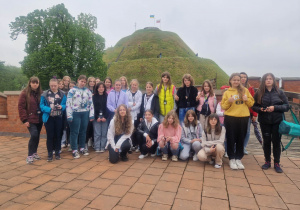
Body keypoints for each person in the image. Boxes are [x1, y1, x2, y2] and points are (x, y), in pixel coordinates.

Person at [252, 73, 289, 173]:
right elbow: (254, 106)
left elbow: (287, 106)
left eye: (270, 79)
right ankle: (267, 161)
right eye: (266, 79)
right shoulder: (259, 93)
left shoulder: (279, 92)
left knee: (276, 142)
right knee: (266, 141)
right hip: (265, 121)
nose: (268, 80)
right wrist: (261, 109)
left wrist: (275, 108)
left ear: (273, 81)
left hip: (277, 121)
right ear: (263, 81)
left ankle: (277, 163)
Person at [221, 73, 254, 170]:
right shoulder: (227, 92)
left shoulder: (245, 90)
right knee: (231, 138)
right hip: (230, 117)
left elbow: (251, 103)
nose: (236, 82)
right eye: (234, 80)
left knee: (241, 138)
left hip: (243, 117)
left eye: (238, 80)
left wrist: (246, 99)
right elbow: (223, 106)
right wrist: (229, 101)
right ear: (230, 81)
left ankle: (238, 158)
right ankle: (231, 158)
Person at [66, 75, 94, 159]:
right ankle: (74, 149)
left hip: (85, 113)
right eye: (82, 81)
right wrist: (69, 115)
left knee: (83, 131)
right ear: (78, 80)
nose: (83, 83)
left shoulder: (88, 91)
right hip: (75, 113)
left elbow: (91, 103)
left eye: (85, 82)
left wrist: (91, 114)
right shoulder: (72, 91)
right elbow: (68, 103)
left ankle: (82, 147)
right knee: (75, 132)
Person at [40, 78, 66, 161]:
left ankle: (57, 152)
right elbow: (41, 105)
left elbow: (66, 104)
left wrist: (62, 107)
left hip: (58, 117)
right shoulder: (44, 94)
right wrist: (48, 109)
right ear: (49, 85)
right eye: (52, 85)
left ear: (58, 85)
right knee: (50, 136)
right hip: (49, 117)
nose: (53, 87)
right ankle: (50, 154)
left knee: (58, 135)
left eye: (55, 85)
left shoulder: (62, 94)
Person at [18, 77, 43, 164]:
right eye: (33, 82)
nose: (35, 84)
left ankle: (34, 152)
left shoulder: (41, 93)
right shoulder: (24, 93)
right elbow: (21, 107)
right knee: (34, 135)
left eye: (37, 83)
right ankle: (29, 155)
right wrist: (24, 120)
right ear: (30, 83)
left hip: (39, 118)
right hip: (30, 119)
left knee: (37, 136)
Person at [240, 72, 258, 155]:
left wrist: (255, 114)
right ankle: (237, 146)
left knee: (247, 131)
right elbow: (224, 88)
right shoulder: (234, 88)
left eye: (245, 77)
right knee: (237, 130)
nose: (243, 79)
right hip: (237, 112)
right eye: (241, 77)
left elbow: (254, 102)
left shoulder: (250, 89)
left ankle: (243, 146)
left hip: (248, 112)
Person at [126, 79, 143, 152]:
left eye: (135, 85)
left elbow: (139, 103)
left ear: (137, 86)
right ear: (131, 85)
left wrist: (132, 108)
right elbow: (125, 102)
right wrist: (132, 104)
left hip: (137, 114)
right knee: (129, 129)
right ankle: (130, 144)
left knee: (136, 129)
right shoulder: (127, 92)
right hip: (129, 114)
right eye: (133, 85)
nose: (134, 86)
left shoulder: (139, 93)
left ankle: (136, 144)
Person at [92, 82, 108, 152]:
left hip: (105, 116)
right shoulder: (94, 96)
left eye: (102, 87)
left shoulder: (107, 96)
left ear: (104, 88)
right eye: (99, 87)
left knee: (104, 133)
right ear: (97, 88)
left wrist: (105, 117)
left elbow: (108, 107)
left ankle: (103, 147)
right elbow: (92, 108)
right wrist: (96, 117)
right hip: (97, 116)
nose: (101, 88)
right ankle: (97, 147)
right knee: (97, 133)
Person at [216, 85, 229, 157]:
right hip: (221, 123)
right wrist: (224, 113)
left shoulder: (231, 104)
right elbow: (217, 112)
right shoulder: (220, 104)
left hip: (229, 123)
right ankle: (221, 150)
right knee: (221, 137)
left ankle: (227, 151)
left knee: (228, 137)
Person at [86, 76, 96, 150]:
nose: (92, 83)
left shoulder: (96, 90)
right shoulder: (86, 90)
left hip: (95, 111)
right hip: (87, 111)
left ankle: (93, 141)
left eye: (93, 81)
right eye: (91, 81)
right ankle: (86, 142)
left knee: (94, 127)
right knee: (87, 127)